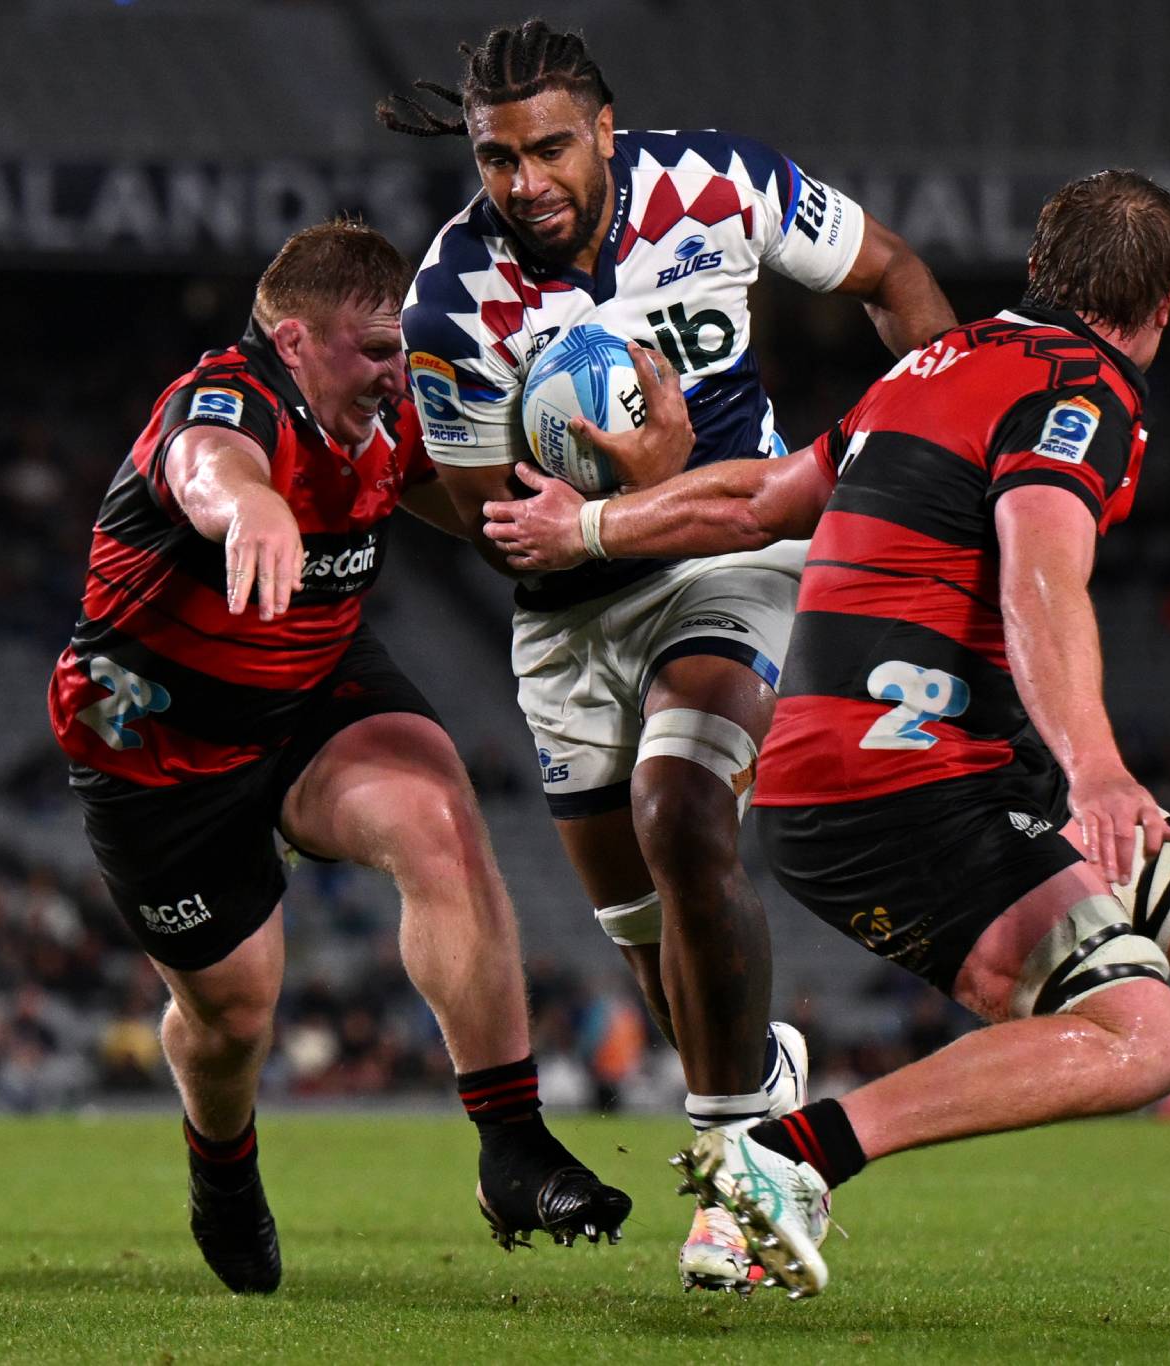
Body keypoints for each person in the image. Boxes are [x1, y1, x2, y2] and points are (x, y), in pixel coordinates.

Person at [482, 171, 1170, 1341]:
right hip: (904, 782)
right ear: (1165, 301)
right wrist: (1094, 765)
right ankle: (793, 1153)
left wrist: (586, 525)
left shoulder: (939, 364)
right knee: (1143, 1035)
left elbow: (755, 503)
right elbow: (1039, 568)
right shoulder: (1081, 390)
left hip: (918, 767)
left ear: (1041, 267)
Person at [378, 19, 956, 1292]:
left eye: (545, 149)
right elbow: (499, 534)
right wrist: (618, 489)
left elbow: (893, 274)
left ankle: (731, 1190)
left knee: (681, 810)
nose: (522, 183)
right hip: (572, 607)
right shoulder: (454, 301)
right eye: (493, 159)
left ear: (602, 129)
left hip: (731, 555)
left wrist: (929, 468)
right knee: (648, 945)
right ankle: (760, 1080)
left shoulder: (718, 184)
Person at [44, 219, 630, 1295]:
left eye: (396, 346)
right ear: (295, 340)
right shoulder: (229, 400)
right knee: (233, 1018)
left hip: (311, 681)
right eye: (369, 350)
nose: (390, 370)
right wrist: (251, 505)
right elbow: (204, 461)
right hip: (161, 743)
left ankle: (511, 1144)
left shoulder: (393, 407)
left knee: (438, 816)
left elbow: (473, 505)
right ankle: (222, 1168)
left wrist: (592, 514)